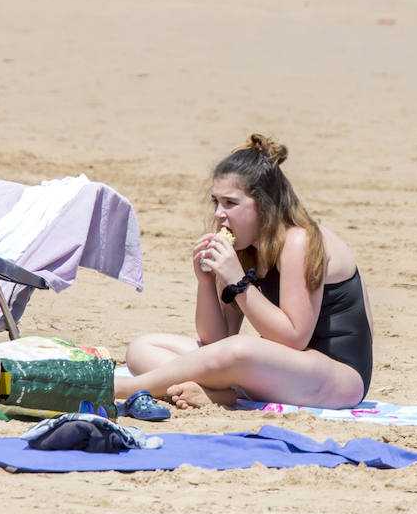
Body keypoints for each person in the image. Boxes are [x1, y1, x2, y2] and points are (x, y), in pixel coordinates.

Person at [119, 135, 374, 413]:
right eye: (216, 201)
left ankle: (125, 389)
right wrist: (206, 282)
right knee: (142, 348)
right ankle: (222, 394)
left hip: (338, 378)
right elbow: (216, 342)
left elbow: (294, 338)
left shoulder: (298, 240)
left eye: (230, 203)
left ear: (264, 205)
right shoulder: (244, 247)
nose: (219, 214)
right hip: (283, 369)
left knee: (241, 349)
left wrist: (239, 283)